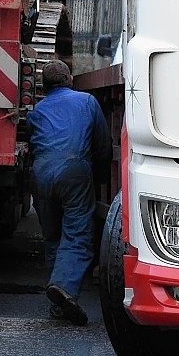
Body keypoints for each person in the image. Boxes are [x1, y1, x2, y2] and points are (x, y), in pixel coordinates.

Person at [26, 59, 110, 326]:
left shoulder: (37, 111)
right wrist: (99, 178)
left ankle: (58, 301)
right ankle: (64, 287)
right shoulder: (86, 102)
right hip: (73, 172)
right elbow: (102, 145)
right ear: (70, 80)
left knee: (52, 235)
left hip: (40, 175)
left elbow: (32, 142)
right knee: (76, 235)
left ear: (43, 86)